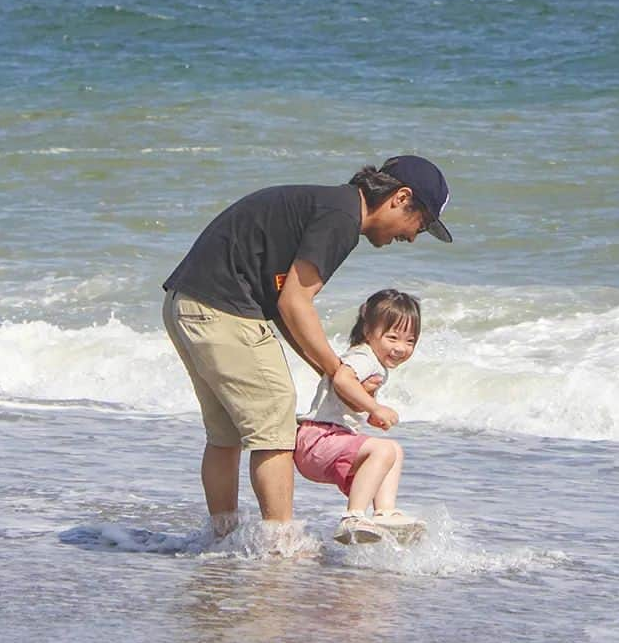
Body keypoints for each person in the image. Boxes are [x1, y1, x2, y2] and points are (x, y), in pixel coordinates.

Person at [162, 156, 451, 533]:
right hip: (222, 308)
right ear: (400, 197)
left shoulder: (331, 205)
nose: (413, 236)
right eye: (421, 223)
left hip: (186, 303)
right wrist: (339, 373)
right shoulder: (342, 219)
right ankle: (280, 542)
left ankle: (222, 536)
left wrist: (332, 373)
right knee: (276, 423)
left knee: (226, 434)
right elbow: (295, 302)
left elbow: (284, 307)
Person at [294, 289, 423, 544]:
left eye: (410, 341)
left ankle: (384, 512)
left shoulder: (374, 362)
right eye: (393, 337)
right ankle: (353, 516)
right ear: (368, 332)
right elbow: (343, 379)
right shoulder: (364, 356)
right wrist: (375, 408)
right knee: (384, 450)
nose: (400, 348)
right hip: (319, 438)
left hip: (331, 441)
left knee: (394, 450)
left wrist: (368, 409)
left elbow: (346, 395)